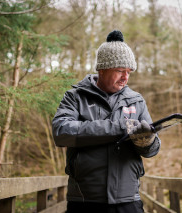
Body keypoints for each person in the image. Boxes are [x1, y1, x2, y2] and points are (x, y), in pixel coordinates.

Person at [52, 30, 161, 213]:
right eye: (120, 71)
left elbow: (153, 150)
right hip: (85, 201)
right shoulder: (75, 97)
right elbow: (61, 132)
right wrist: (119, 127)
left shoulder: (137, 100)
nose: (125, 77)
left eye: (129, 72)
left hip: (129, 201)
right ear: (102, 69)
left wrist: (147, 142)